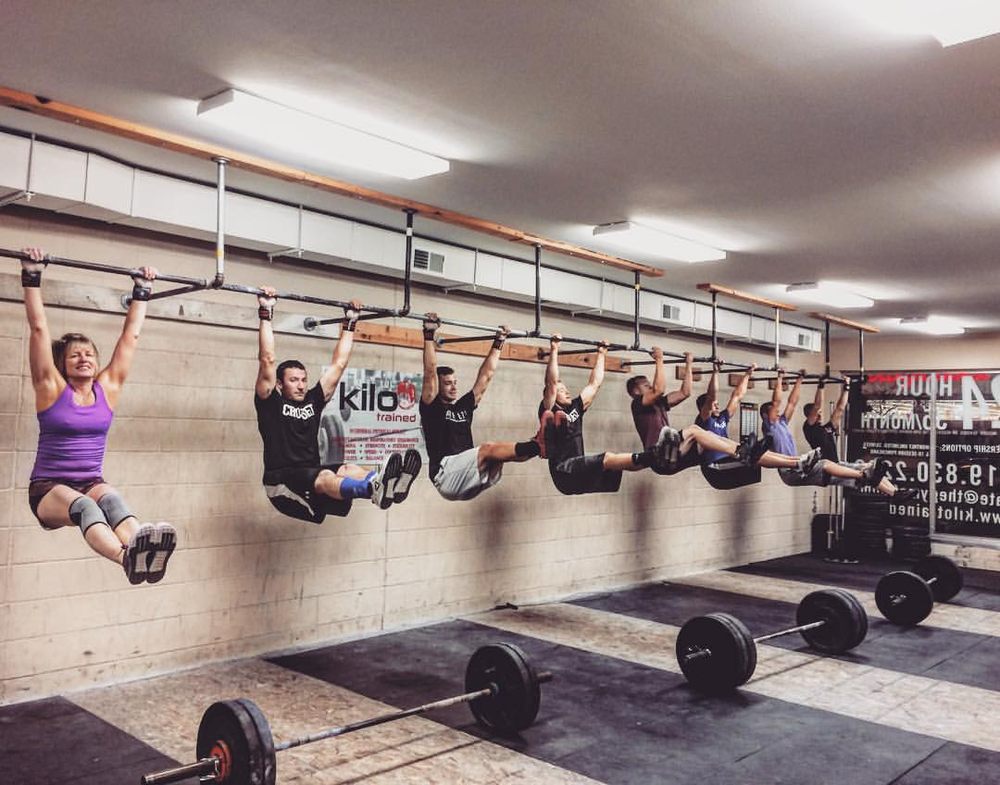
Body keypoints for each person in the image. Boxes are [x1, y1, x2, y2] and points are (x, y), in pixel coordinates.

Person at [20, 247, 176, 585]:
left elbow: (130, 338)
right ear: (61, 364)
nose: (84, 359)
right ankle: (126, 558)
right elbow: (38, 329)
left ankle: (146, 552)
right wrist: (32, 275)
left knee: (113, 500)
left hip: (90, 481)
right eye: (75, 355)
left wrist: (142, 290)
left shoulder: (107, 388)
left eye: (89, 353)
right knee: (87, 508)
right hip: (49, 489)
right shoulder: (50, 389)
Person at [254, 288, 418, 522]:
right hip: (281, 481)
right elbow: (267, 359)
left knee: (347, 469)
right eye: (293, 380)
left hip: (310, 472)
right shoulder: (270, 403)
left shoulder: (313, 400)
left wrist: (350, 322)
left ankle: (381, 484)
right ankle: (373, 489)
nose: (301, 385)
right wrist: (265, 311)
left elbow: (339, 364)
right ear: (280, 384)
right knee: (325, 477)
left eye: (303, 380)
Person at [419, 313, 544, 501]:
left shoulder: (462, 408)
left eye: (455, 382)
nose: (454, 387)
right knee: (488, 449)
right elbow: (430, 372)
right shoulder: (431, 407)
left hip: (469, 476)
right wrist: (428, 334)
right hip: (446, 475)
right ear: (438, 386)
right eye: (448, 383)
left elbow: (486, 376)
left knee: (500, 455)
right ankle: (538, 445)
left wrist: (499, 341)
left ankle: (541, 446)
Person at [542, 334, 668, 496]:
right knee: (607, 458)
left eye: (566, 389)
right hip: (563, 470)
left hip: (578, 475)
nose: (566, 392)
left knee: (615, 464)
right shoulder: (549, 408)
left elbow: (594, 384)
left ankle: (655, 459)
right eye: (561, 390)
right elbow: (551, 383)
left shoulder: (576, 407)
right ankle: (652, 456)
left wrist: (601, 354)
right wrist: (554, 349)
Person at [762, 370, 915, 498]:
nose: (778, 412)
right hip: (803, 470)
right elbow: (783, 402)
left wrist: (845, 388)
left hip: (833, 465)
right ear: (765, 416)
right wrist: (782, 378)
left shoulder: (784, 423)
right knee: (856, 471)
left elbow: (794, 403)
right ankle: (883, 486)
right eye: (774, 411)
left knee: (868, 470)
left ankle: (895, 493)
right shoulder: (776, 427)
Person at [627, 349, 770, 476]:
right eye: (646, 385)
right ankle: (740, 452)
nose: (650, 386)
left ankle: (753, 453)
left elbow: (685, 392)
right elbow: (659, 389)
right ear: (636, 391)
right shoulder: (637, 404)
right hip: (658, 455)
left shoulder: (660, 403)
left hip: (673, 455)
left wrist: (689, 364)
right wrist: (659, 359)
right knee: (694, 430)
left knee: (704, 438)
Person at [695, 363, 823, 475]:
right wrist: (715, 372)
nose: (717, 405)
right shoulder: (705, 420)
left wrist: (748, 374)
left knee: (755, 453)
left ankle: (800, 461)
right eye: (714, 404)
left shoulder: (723, 417)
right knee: (754, 454)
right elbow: (711, 396)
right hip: (715, 465)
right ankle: (798, 463)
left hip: (728, 460)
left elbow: (737, 396)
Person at [803, 378, 849, 462]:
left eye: (820, 413)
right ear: (809, 415)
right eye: (817, 414)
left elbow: (840, 408)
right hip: (823, 465)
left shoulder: (828, 428)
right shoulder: (809, 428)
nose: (820, 416)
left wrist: (846, 387)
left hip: (835, 464)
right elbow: (817, 406)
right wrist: (821, 385)